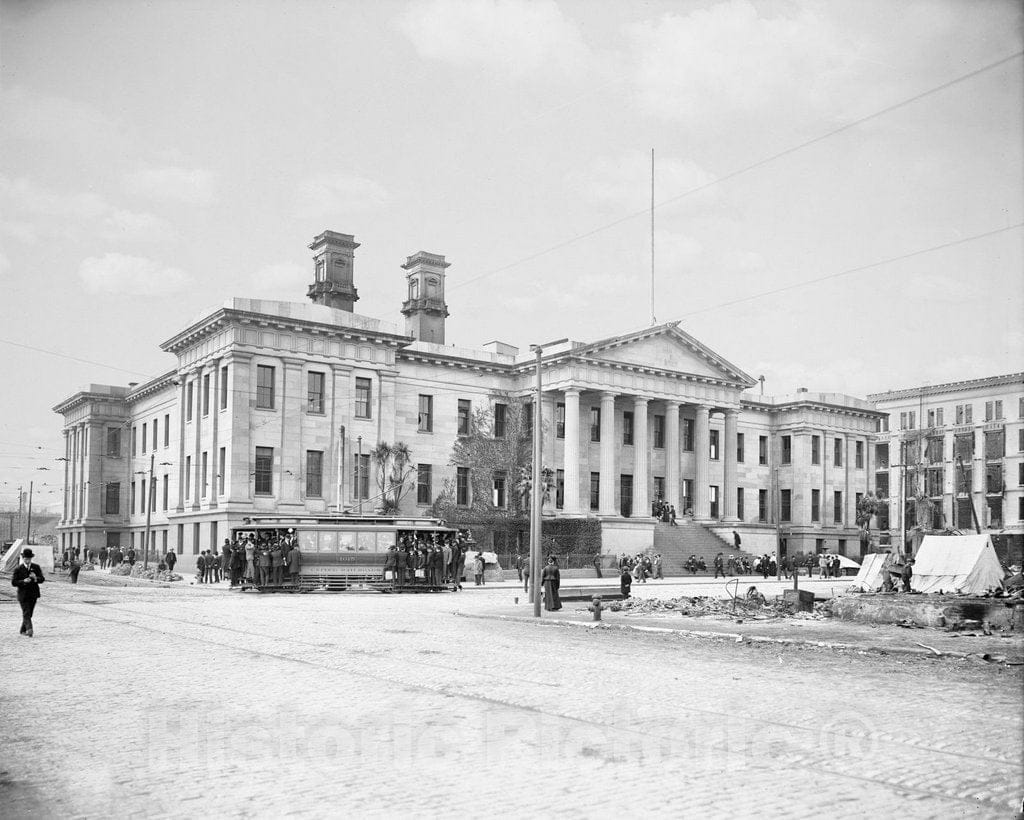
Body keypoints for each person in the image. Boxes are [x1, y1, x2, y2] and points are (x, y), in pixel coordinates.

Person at [12, 548, 45, 636]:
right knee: (26, 612)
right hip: (23, 595)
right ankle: (29, 629)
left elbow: (42, 579)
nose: (27, 560)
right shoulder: (18, 569)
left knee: (30, 613)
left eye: (29, 559)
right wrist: (23, 581)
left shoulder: (36, 567)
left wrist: (35, 578)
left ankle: (22, 630)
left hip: (33, 594)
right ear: (23, 558)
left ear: (31, 559)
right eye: (26, 559)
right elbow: (14, 582)